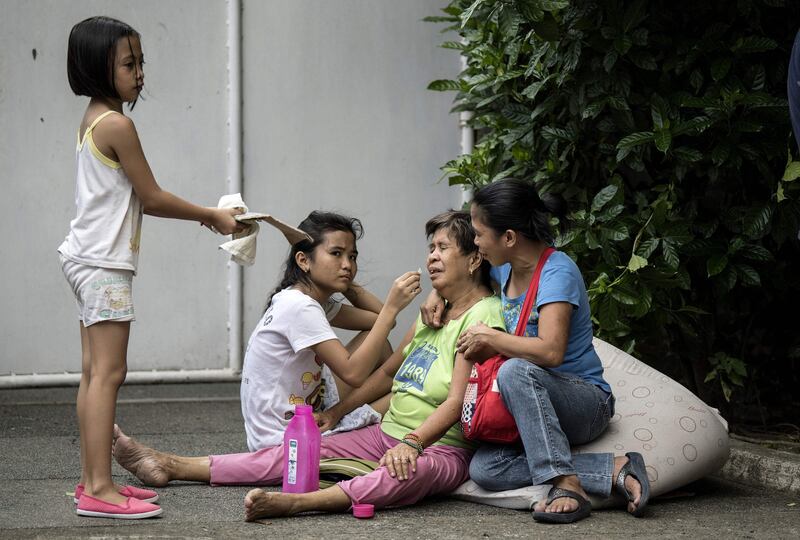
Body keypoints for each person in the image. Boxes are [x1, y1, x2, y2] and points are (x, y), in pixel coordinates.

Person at [111, 210, 505, 520]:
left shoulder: (482, 318)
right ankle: (171, 464)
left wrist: (412, 443)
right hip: (382, 432)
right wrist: (336, 413)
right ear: (305, 261)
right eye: (430, 248)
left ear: (474, 260)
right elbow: (386, 370)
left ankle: (300, 503)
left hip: (439, 448)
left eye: (442, 248)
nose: (430, 257)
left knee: (403, 473)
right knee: (297, 452)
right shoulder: (425, 313)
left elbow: (455, 402)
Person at [59, 16, 247, 520]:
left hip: (83, 258)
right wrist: (212, 216)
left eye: (141, 61)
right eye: (128, 63)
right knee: (109, 374)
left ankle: (91, 481)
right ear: (99, 68)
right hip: (103, 265)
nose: (140, 72)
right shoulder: (118, 124)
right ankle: (100, 488)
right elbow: (153, 196)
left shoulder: (96, 117)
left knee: (93, 374)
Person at [423, 179, 651, 524]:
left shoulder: (557, 272)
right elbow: (459, 274)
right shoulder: (502, 267)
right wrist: (437, 294)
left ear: (509, 238)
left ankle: (567, 483)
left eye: (481, 235)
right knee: (485, 468)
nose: (476, 243)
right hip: (528, 404)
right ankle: (614, 467)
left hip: (583, 402)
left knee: (514, 369)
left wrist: (491, 338)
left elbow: (550, 352)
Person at [239, 210, 419, 452]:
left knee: (378, 344)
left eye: (352, 257)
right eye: (336, 254)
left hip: (308, 405)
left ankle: (378, 426)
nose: (348, 265)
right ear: (303, 260)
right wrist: (393, 306)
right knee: (409, 393)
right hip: (282, 439)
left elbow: (378, 321)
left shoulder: (306, 299)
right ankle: (403, 439)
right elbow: (353, 373)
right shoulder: (300, 307)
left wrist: (341, 278)